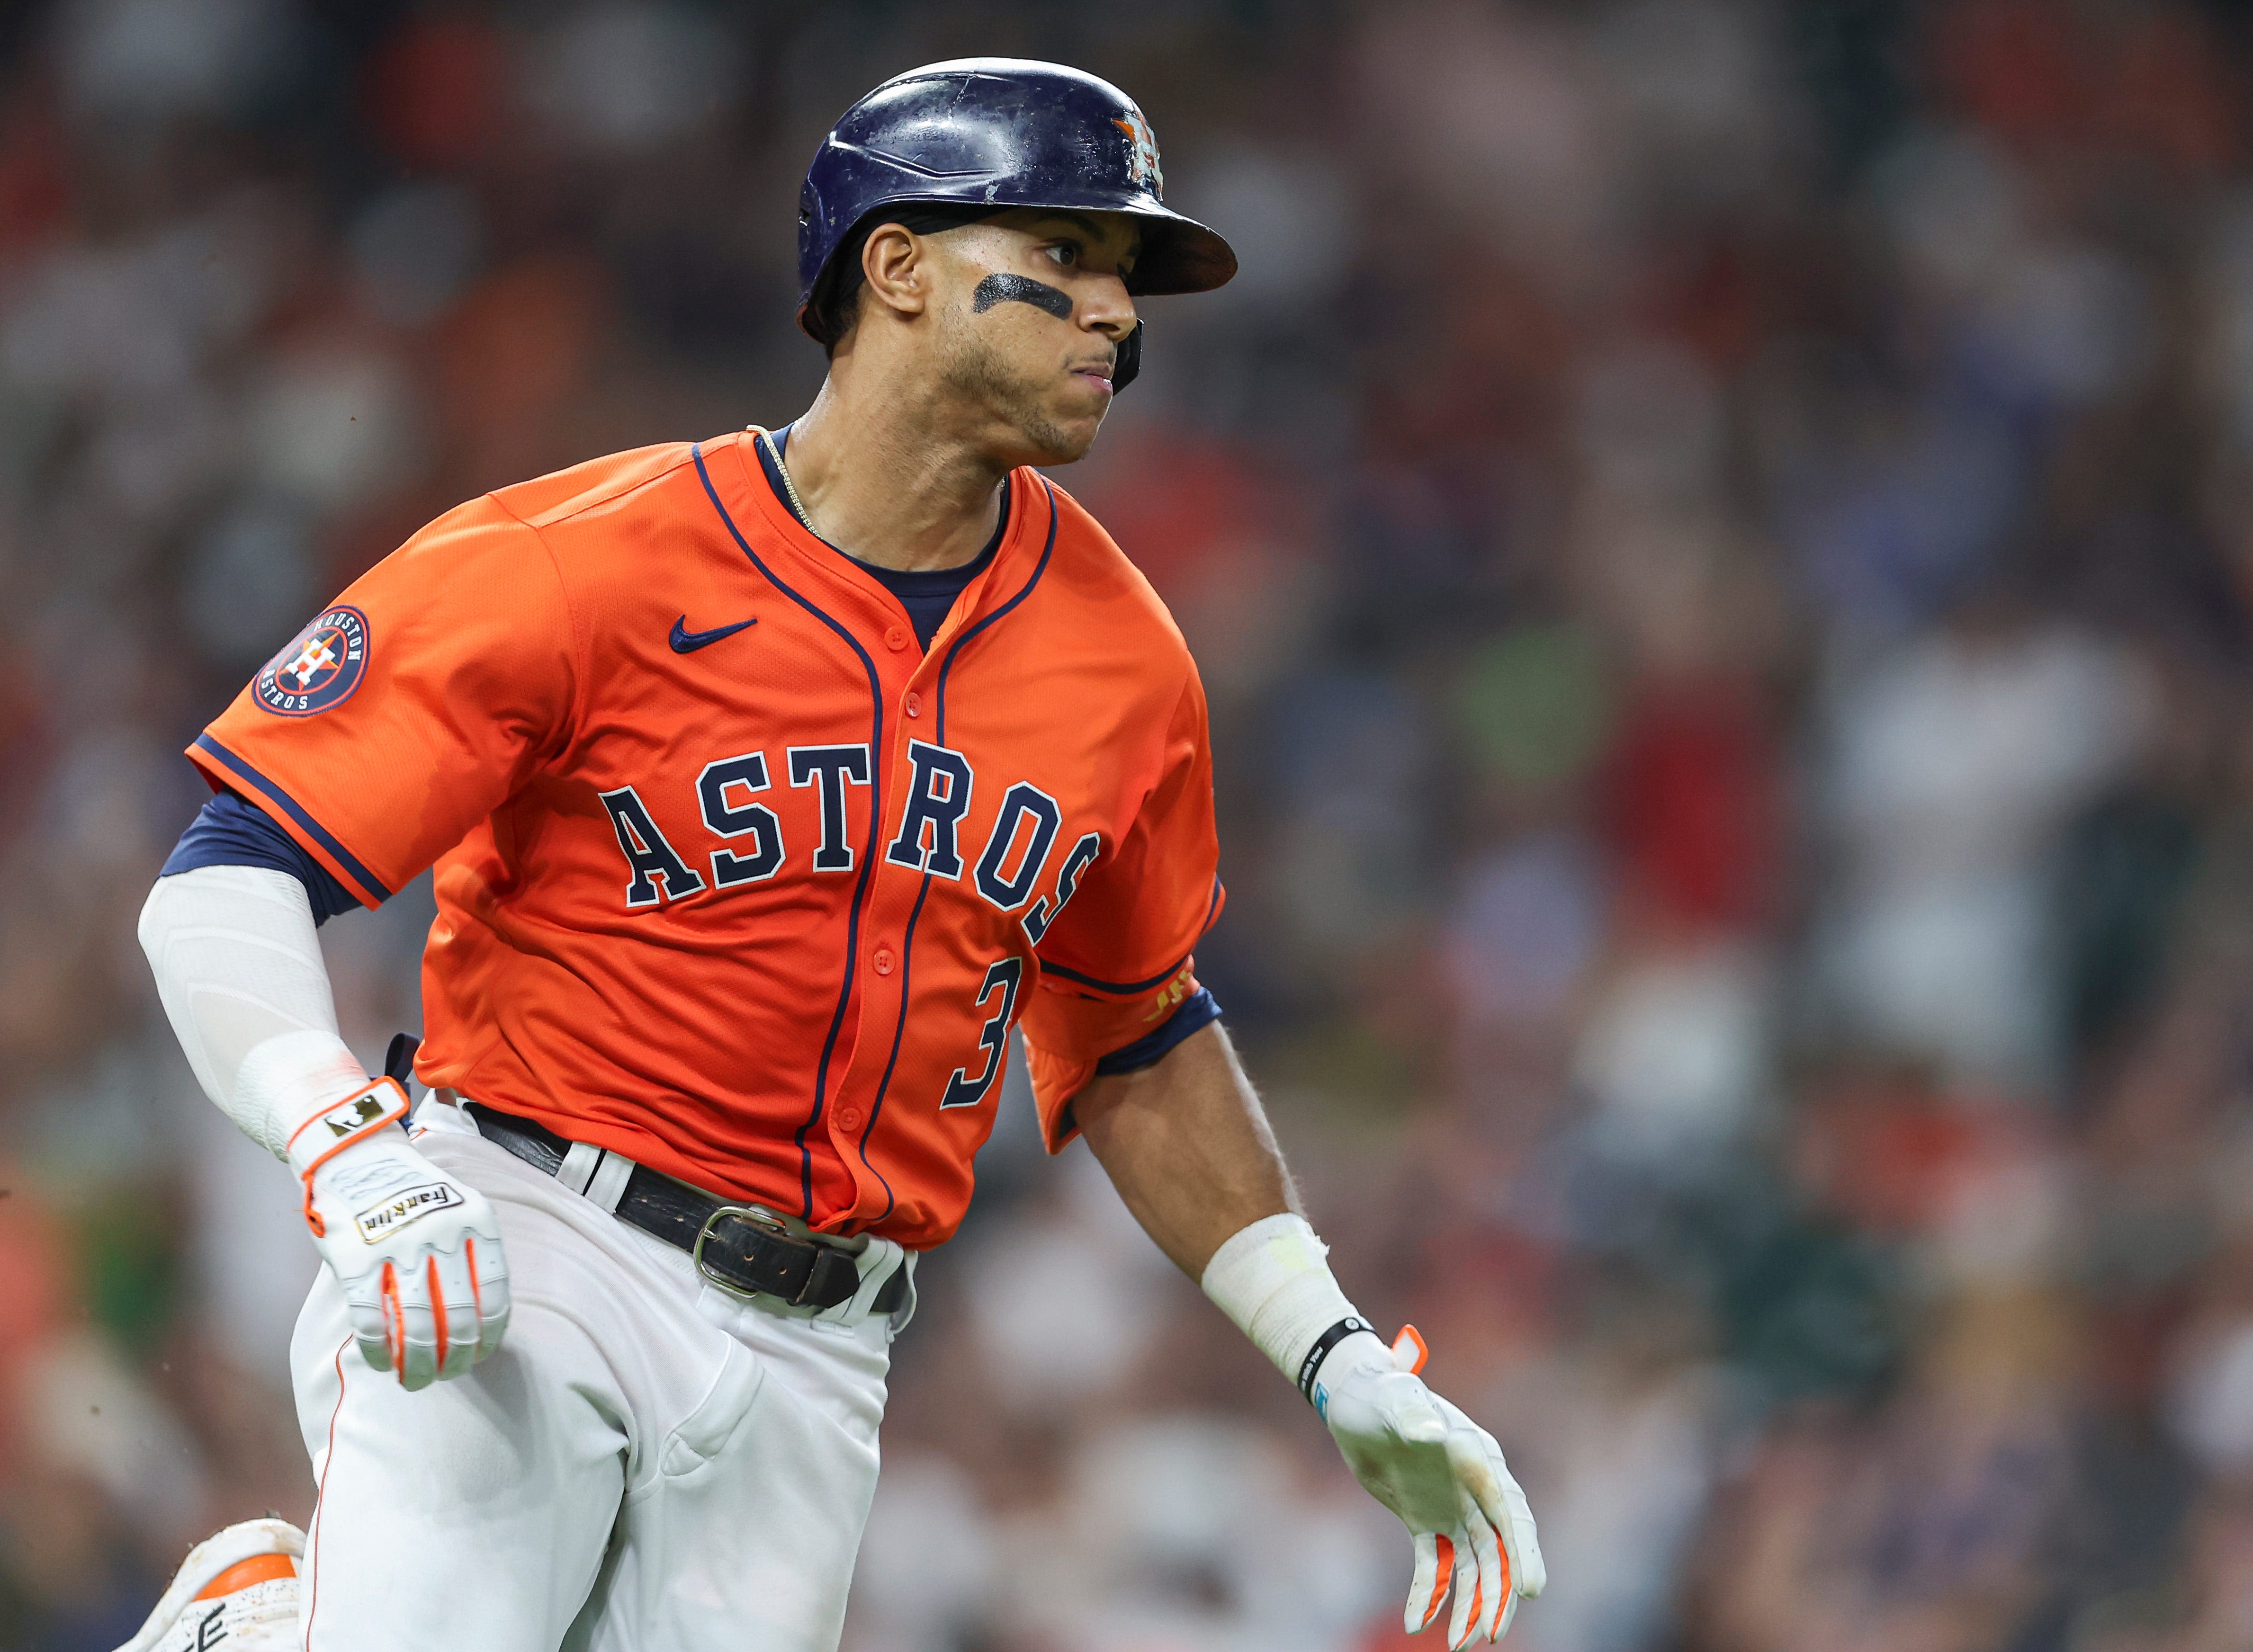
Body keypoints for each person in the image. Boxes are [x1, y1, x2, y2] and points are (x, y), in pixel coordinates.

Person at [121, 58, 1544, 1652]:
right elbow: (229, 864)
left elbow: (1135, 1031)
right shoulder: (584, 561)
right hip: (533, 1237)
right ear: (897, 265)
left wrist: (1332, 1344)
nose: (1115, 317)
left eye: (1122, 278)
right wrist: (345, 1146)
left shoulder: (1125, 659)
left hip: (825, 1345)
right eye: (1065, 253)